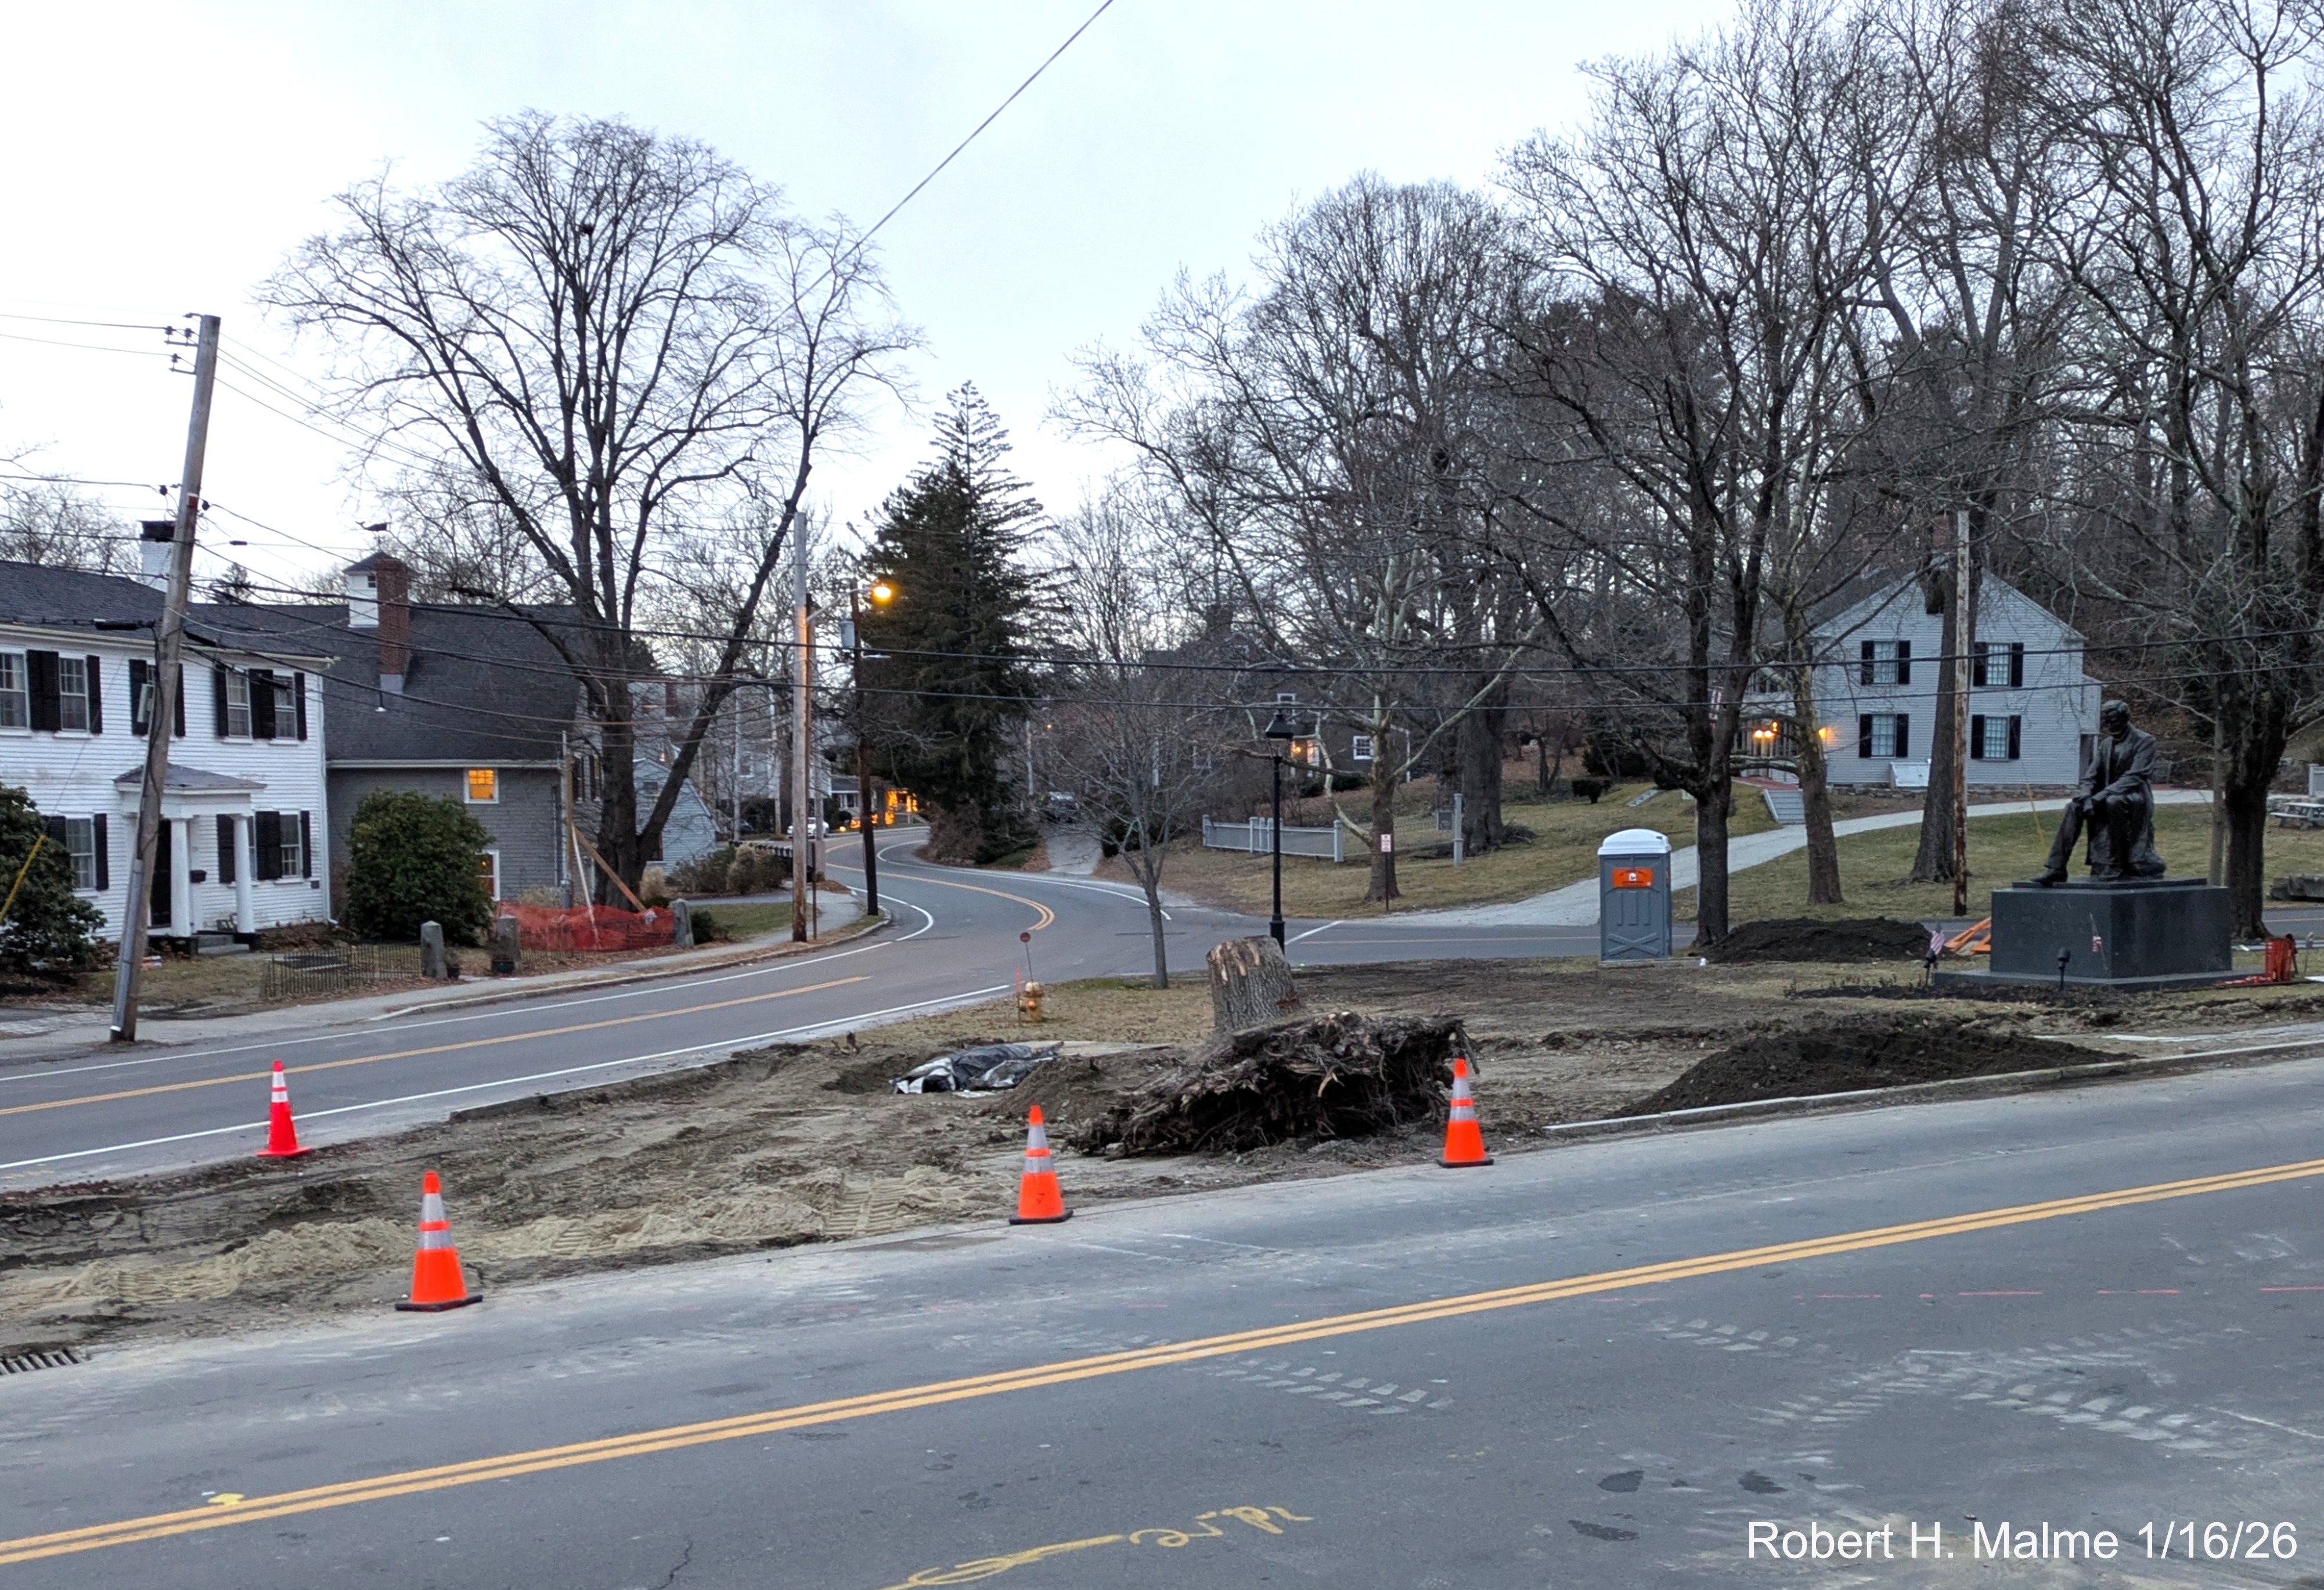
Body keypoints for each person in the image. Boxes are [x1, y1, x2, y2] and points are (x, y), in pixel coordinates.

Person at [2030, 700, 2164, 884]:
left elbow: (2136, 776)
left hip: (2135, 798)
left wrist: (2100, 796)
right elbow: (2090, 776)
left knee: (2113, 802)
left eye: (2114, 720)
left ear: (2126, 718)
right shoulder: (2106, 744)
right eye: (2107, 721)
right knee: (2073, 807)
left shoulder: (2145, 741)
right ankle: (2056, 868)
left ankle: (2115, 865)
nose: (2110, 725)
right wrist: (2086, 798)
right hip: (2106, 796)